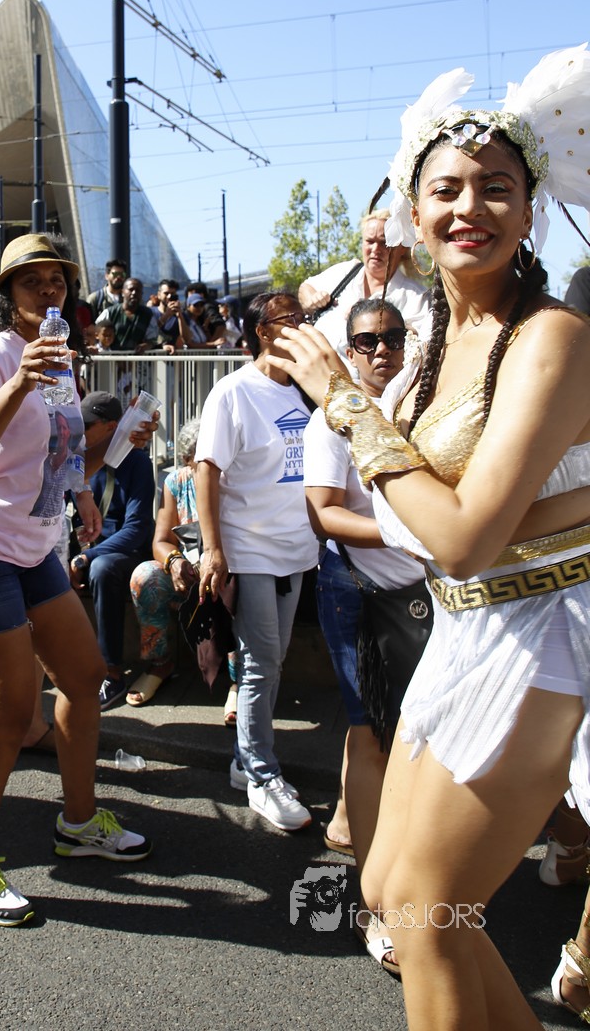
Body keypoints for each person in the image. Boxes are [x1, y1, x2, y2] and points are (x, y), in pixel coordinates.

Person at [274, 45, 590, 1031]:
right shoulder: (433, 347)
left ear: (530, 211)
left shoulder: (549, 338)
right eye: (446, 189)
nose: (470, 207)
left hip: (542, 638)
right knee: (389, 897)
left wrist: (344, 404)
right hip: (460, 627)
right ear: (413, 215)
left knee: (432, 915)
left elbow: (456, 537)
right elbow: (433, 525)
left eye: (497, 188)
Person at [0, 233, 151, 927]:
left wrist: (96, 475)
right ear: (8, 292)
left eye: (57, 281)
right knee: (6, 718)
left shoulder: (62, 359)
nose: (48, 290)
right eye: (32, 281)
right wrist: (20, 380)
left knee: (84, 679)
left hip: (35, 550)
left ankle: (78, 823)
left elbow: (61, 450)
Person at [303, 295, 426, 975]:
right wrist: (411, 531)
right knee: (373, 736)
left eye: (393, 338)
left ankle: (392, 865)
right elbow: (323, 515)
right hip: (357, 591)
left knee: (414, 739)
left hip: (427, 595)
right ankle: (375, 905)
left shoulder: (423, 406)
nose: (382, 351)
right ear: (348, 351)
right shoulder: (333, 417)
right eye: (368, 341)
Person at [196, 290, 318, 832]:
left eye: (304, 317)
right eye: (290, 318)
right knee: (259, 663)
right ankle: (261, 775)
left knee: (272, 660)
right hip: (250, 548)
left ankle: (244, 761)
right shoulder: (234, 392)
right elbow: (207, 469)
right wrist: (213, 548)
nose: (302, 325)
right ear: (262, 332)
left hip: (297, 549)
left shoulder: (306, 391)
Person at [68, 392, 155, 708]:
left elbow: (136, 529)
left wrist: (87, 557)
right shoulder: (77, 461)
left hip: (123, 552)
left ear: (111, 427)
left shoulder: (137, 462)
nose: (80, 433)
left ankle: (112, 673)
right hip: (85, 547)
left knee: (102, 568)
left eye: (87, 426)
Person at [127, 416, 202, 705]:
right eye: (198, 460)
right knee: (145, 576)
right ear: (186, 460)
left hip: (226, 571)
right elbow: (160, 540)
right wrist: (175, 562)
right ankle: (160, 662)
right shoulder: (177, 482)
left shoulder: (233, 480)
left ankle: (238, 677)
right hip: (186, 572)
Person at [298, 208, 432, 360]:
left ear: (402, 248)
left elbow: (422, 346)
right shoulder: (346, 272)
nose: (375, 249)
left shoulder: (417, 297)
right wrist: (311, 299)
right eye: (369, 241)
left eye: (384, 243)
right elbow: (306, 287)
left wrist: (369, 320)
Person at [95, 278, 159, 353]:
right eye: (131, 289)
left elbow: (153, 339)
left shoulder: (148, 314)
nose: (134, 293)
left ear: (141, 294)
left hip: (136, 359)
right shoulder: (110, 312)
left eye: (138, 290)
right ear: (122, 292)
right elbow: (95, 333)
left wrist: (146, 345)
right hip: (111, 357)